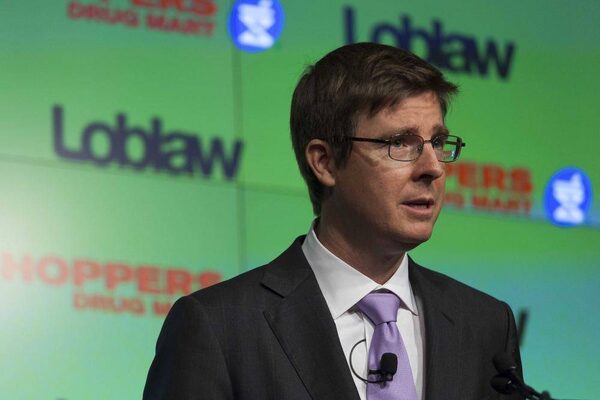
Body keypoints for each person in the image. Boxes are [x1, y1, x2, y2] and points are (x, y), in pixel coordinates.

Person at [143, 42, 523, 400]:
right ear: (324, 162)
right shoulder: (219, 328)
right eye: (400, 143)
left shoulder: (485, 325)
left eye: (437, 143)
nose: (432, 168)